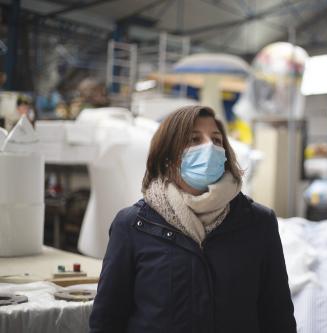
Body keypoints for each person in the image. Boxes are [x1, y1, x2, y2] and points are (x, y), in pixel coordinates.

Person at [89, 105, 296, 333]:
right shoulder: (133, 225)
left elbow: (277, 316)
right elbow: (107, 319)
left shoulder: (258, 222)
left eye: (216, 140)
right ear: (167, 154)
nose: (209, 147)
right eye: (194, 139)